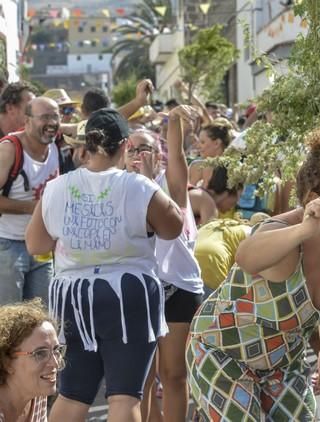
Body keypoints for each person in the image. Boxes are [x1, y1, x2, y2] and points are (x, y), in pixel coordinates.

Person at [186, 121, 320, 420]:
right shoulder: (285, 238)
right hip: (222, 354)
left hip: (284, 362)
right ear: (315, 200)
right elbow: (245, 256)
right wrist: (303, 231)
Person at [24, 108, 183, 421]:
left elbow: (36, 245)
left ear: (86, 145)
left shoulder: (57, 187)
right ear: (124, 146)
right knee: (124, 396)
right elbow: (173, 227)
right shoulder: (138, 186)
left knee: (72, 394)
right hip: (129, 295)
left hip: (72, 297)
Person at [127, 107, 205, 422]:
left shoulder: (169, 182)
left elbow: (179, 157)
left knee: (173, 374)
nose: (136, 154)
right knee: (141, 378)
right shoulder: (117, 187)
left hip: (178, 286)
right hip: (139, 289)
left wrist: (174, 121)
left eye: (144, 148)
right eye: (130, 148)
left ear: (158, 155)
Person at [0, 97, 62, 306]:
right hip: (8, 245)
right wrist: (33, 208)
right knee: (9, 319)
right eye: (45, 117)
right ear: (26, 121)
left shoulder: (55, 141)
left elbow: (98, 124)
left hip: (42, 246)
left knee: (42, 316)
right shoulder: (9, 149)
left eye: (55, 116)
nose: (52, 122)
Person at [0, 299, 63, 422]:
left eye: (56, 350)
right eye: (40, 354)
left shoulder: (37, 393)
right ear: (7, 361)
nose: (55, 363)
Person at [189, 120, 234, 188]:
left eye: (202, 142)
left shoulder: (234, 169)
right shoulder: (196, 166)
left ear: (217, 143)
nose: (198, 146)